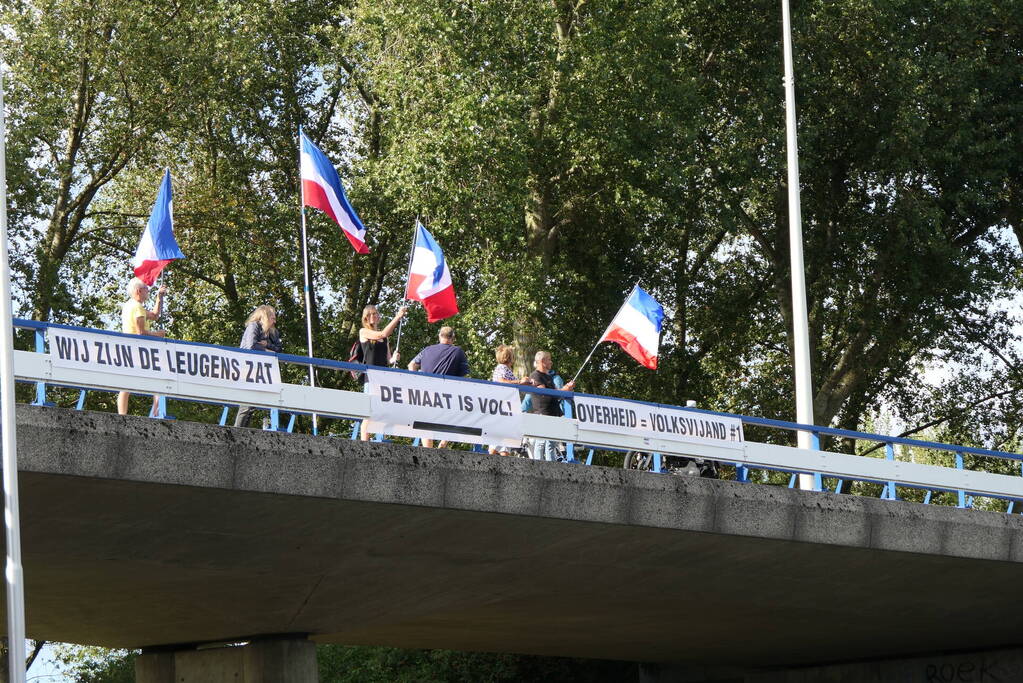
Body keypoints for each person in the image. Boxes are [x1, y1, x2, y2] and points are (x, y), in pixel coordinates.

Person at [408, 326, 470, 448]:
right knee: (454, 418)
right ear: (452, 338)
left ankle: (428, 449)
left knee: (426, 422)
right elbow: (464, 375)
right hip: (447, 394)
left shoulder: (426, 350)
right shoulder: (458, 351)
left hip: (426, 392)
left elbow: (412, 364)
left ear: (439, 336)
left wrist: (415, 379)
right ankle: (443, 444)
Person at [117, 277, 167, 416]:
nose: (148, 291)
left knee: (126, 384)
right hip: (138, 349)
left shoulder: (130, 305)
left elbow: (155, 316)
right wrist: (158, 334)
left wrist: (159, 297)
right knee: (157, 378)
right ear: (139, 291)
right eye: (146, 289)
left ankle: (123, 415)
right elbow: (141, 332)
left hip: (129, 348)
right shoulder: (137, 307)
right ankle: (157, 412)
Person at [358, 304, 405, 441]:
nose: (374, 316)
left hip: (383, 379)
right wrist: (397, 317)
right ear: (366, 318)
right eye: (370, 314)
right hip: (371, 378)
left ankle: (379, 438)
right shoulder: (364, 332)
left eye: (375, 313)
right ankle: (364, 443)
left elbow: (388, 359)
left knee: (381, 411)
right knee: (369, 412)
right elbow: (382, 333)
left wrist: (393, 358)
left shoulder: (385, 339)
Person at [234, 305, 283, 428]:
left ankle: (242, 431)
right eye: (272, 317)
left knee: (252, 405)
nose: (275, 321)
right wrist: (267, 350)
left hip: (263, 371)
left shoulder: (273, 332)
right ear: (265, 316)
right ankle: (237, 431)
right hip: (248, 369)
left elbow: (279, 349)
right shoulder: (254, 326)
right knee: (246, 404)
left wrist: (267, 345)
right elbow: (251, 346)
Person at [527, 350, 576, 461]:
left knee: (551, 443)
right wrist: (563, 390)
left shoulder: (548, 377)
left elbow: (555, 395)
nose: (551, 362)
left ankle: (551, 466)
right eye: (549, 359)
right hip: (542, 413)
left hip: (553, 413)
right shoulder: (535, 375)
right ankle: (538, 466)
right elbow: (545, 393)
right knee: (541, 442)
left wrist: (566, 389)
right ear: (543, 361)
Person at [489, 344, 532, 456]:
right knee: (500, 440)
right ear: (510, 357)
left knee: (501, 444)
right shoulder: (501, 368)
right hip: (503, 407)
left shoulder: (506, 369)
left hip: (506, 408)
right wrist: (520, 382)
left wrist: (527, 382)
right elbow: (501, 381)